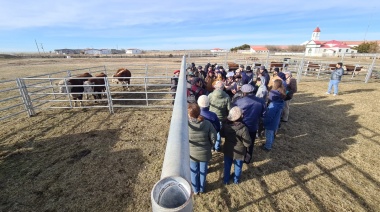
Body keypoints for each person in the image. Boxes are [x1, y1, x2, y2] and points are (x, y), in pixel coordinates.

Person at [188, 103, 217, 195]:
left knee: (193, 171)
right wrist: (210, 146)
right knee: (203, 171)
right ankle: (202, 188)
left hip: (192, 153)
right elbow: (213, 137)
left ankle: (195, 190)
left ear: (189, 114)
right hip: (205, 152)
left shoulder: (186, 125)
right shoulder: (207, 123)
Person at [233, 84, 266, 162]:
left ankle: (239, 157)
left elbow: (234, 113)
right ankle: (248, 158)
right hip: (253, 126)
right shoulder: (261, 101)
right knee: (250, 142)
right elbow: (264, 114)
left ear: (244, 92)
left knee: (240, 142)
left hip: (241, 126)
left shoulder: (239, 101)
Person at [221, 106, 251, 184]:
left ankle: (226, 180)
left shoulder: (225, 125)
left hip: (228, 149)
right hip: (240, 151)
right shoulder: (244, 129)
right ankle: (236, 180)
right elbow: (247, 143)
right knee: (238, 166)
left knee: (227, 166)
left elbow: (222, 134)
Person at [262, 79, 285, 151]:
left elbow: (269, 116)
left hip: (270, 123)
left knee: (269, 134)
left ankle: (267, 147)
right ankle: (269, 143)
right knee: (271, 134)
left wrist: (264, 122)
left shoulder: (273, 105)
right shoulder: (280, 100)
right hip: (275, 121)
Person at [208, 81, 231, 152]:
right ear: (223, 88)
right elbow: (229, 108)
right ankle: (217, 147)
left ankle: (211, 147)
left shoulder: (210, 95)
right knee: (218, 133)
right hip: (221, 117)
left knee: (210, 132)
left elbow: (207, 105)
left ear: (215, 87)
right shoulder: (227, 96)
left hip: (211, 117)